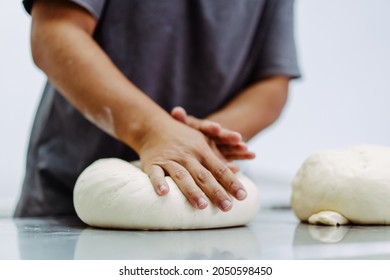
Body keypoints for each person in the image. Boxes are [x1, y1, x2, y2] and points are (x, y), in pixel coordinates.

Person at [15, 0, 300, 217]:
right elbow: (55, 31)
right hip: (67, 205)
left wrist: (200, 141)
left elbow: (272, 82)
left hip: (201, 207)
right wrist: (151, 130)